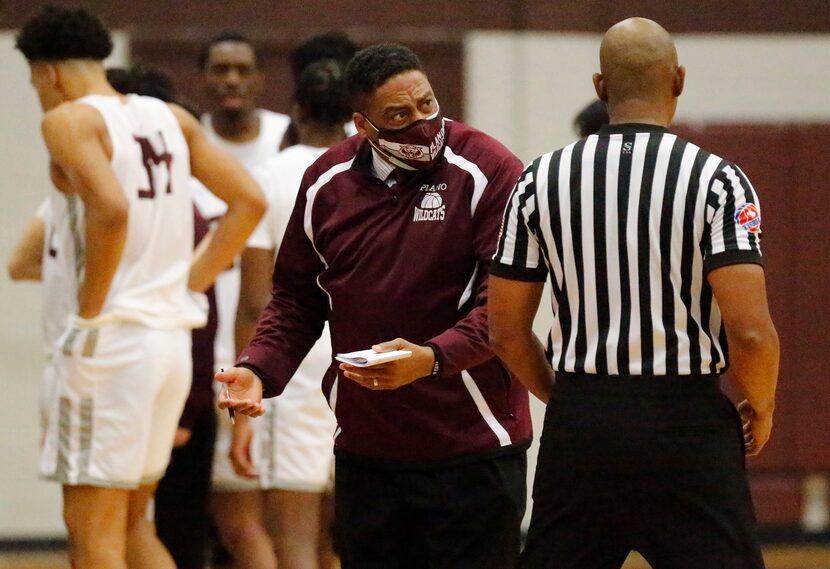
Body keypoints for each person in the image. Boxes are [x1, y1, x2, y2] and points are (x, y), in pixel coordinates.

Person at [218, 43, 531, 569]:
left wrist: (431, 358)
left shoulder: (489, 168)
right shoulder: (325, 183)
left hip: (474, 444)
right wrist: (258, 367)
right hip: (369, 449)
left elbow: (501, 309)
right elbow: (296, 296)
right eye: (400, 116)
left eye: (428, 105)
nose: (423, 123)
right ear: (362, 125)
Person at [489, 17, 779, 569]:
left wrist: (569, 401)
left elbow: (503, 331)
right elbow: (750, 331)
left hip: (582, 421)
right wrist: (760, 408)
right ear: (680, 80)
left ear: (600, 87)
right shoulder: (718, 181)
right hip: (689, 424)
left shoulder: (537, 180)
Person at [15, 6, 265, 569]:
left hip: (109, 347)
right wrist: (189, 284)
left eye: (33, 78)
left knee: (92, 534)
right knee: (133, 526)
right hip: (168, 346)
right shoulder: (169, 117)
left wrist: (88, 316)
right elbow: (248, 201)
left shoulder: (69, 120)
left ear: (49, 72)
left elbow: (109, 207)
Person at [232, 58, 349, 569]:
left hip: (297, 363)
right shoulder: (370, 169)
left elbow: (258, 301)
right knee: (339, 538)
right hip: (364, 358)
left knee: (296, 539)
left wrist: (246, 379)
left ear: (295, 110)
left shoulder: (267, 176)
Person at [106, 64, 221, 569]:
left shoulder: (181, 208)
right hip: (169, 377)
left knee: (144, 529)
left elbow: (208, 311)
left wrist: (191, 407)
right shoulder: (140, 200)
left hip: (180, 383)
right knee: (132, 527)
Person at [196, 30, 291, 569]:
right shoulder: (186, 141)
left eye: (241, 69)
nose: (230, 80)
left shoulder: (285, 140)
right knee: (237, 517)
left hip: (282, 338)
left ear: (259, 77)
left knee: (290, 522)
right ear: (204, 77)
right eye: (219, 68)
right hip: (209, 339)